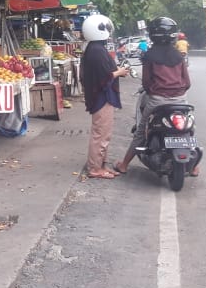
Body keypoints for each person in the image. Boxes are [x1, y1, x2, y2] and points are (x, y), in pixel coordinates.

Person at [114, 17, 195, 176]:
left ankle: (123, 165)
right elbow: (187, 82)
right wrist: (177, 92)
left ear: (152, 34)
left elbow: (146, 83)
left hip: (158, 101)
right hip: (181, 100)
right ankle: (194, 167)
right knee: (190, 128)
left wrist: (156, 92)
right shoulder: (179, 56)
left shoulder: (149, 56)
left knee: (141, 131)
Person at [80, 14, 128, 179]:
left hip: (104, 96)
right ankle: (94, 168)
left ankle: (102, 164)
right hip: (101, 97)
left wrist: (117, 72)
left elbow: (105, 74)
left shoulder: (96, 49)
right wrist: (119, 72)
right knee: (100, 133)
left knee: (104, 133)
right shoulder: (96, 51)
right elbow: (103, 77)